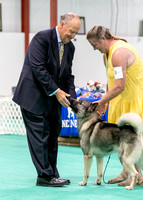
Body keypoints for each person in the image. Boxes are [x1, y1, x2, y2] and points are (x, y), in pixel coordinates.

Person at [86, 25, 143, 186]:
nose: (94, 49)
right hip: (123, 95)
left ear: (103, 39)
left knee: (128, 135)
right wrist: (106, 101)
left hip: (136, 94)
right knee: (122, 135)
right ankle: (127, 171)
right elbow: (111, 79)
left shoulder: (119, 53)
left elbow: (120, 85)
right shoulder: (106, 54)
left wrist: (100, 101)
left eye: (95, 45)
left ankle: (137, 175)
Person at [13, 13, 80, 187]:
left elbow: (67, 75)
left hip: (52, 99)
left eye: (75, 33)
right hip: (33, 97)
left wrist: (73, 100)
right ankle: (44, 176)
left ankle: (52, 174)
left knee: (52, 134)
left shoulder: (70, 48)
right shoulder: (42, 38)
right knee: (40, 136)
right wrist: (57, 91)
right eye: (71, 32)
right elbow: (37, 67)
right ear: (61, 24)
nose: (72, 36)